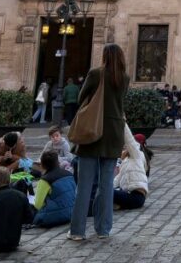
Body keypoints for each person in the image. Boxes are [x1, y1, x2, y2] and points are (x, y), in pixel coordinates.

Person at [69, 43, 129, 241]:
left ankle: (77, 231)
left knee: (85, 185)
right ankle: (103, 229)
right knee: (106, 185)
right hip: (114, 132)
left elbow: (80, 98)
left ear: (104, 56)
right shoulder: (124, 78)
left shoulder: (96, 74)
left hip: (93, 131)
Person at [33, 151, 75, 228]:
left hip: (55, 216)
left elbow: (38, 205)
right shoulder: (69, 174)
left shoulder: (45, 180)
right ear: (58, 162)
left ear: (42, 165)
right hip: (73, 212)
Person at [112, 127, 148, 211]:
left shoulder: (137, 155)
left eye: (124, 148)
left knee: (105, 193)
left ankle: (116, 205)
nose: (123, 149)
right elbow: (116, 181)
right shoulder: (126, 162)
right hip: (128, 195)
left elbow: (130, 141)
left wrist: (122, 123)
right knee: (103, 191)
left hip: (136, 196)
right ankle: (116, 205)